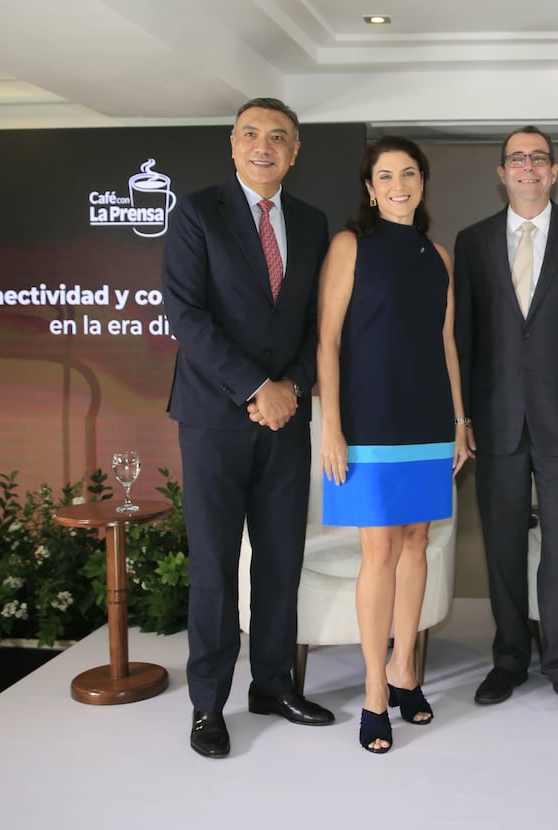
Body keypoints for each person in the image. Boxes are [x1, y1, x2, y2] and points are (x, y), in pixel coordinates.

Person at [163, 97, 335, 759]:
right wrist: (256, 387)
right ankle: (208, 704)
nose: (264, 146)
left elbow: (319, 320)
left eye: (278, 137)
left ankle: (272, 685)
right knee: (214, 565)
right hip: (214, 418)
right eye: (251, 134)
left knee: (281, 558)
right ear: (233, 145)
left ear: (295, 152)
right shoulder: (197, 213)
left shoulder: (312, 222)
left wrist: (291, 386)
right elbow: (187, 314)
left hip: (287, 417)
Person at [316, 136, 469, 754]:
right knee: (378, 549)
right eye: (386, 175)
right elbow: (327, 340)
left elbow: (446, 342)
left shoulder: (440, 255)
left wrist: (459, 421)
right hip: (369, 420)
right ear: (370, 188)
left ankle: (406, 668)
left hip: (428, 418)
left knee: (416, 542)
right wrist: (332, 426)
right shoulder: (350, 245)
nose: (398, 185)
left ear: (422, 182)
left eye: (409, 173)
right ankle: (375, 690)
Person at [454, 126, 558, 716]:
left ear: (554, 170)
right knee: (502, 545)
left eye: (538, 158)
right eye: (516, 159)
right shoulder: (472, 241)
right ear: (501, 173)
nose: (528, 167)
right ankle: (510, 659)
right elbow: (464, 337)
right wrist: (463, 415)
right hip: (495, 417)